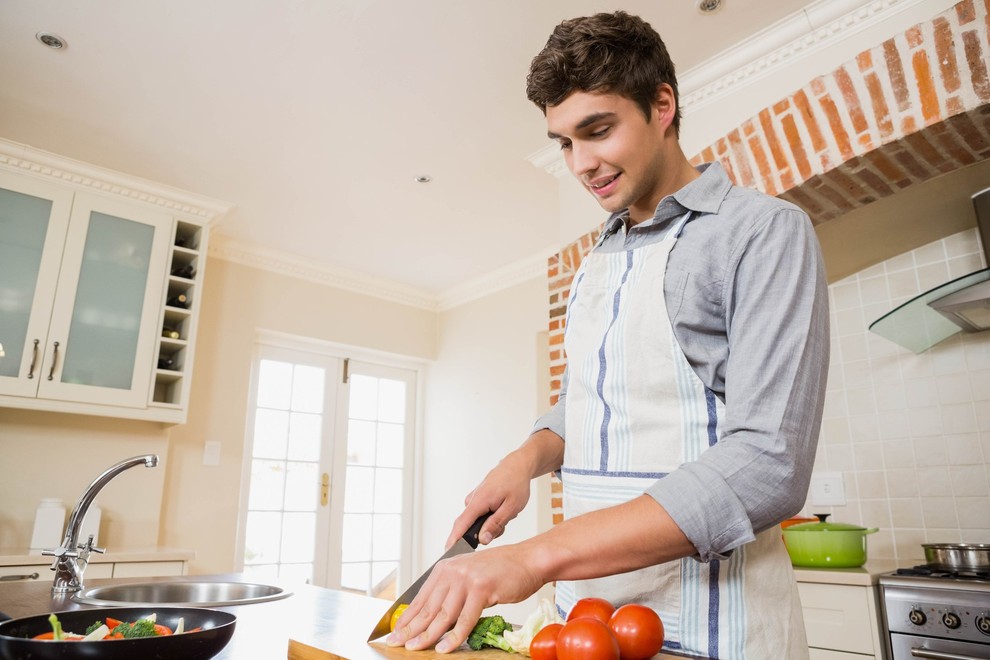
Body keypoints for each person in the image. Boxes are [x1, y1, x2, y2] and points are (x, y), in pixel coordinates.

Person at [387, 10, 829, 658]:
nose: (581, 164)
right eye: (564, 142)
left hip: (715, 630)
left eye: (597, 131)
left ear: (662, 105)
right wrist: (527, 460)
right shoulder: (597, 259)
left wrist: (536, 557)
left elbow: (769, 464)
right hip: (587, 625)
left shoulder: (761, 233)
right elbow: (595, 400)